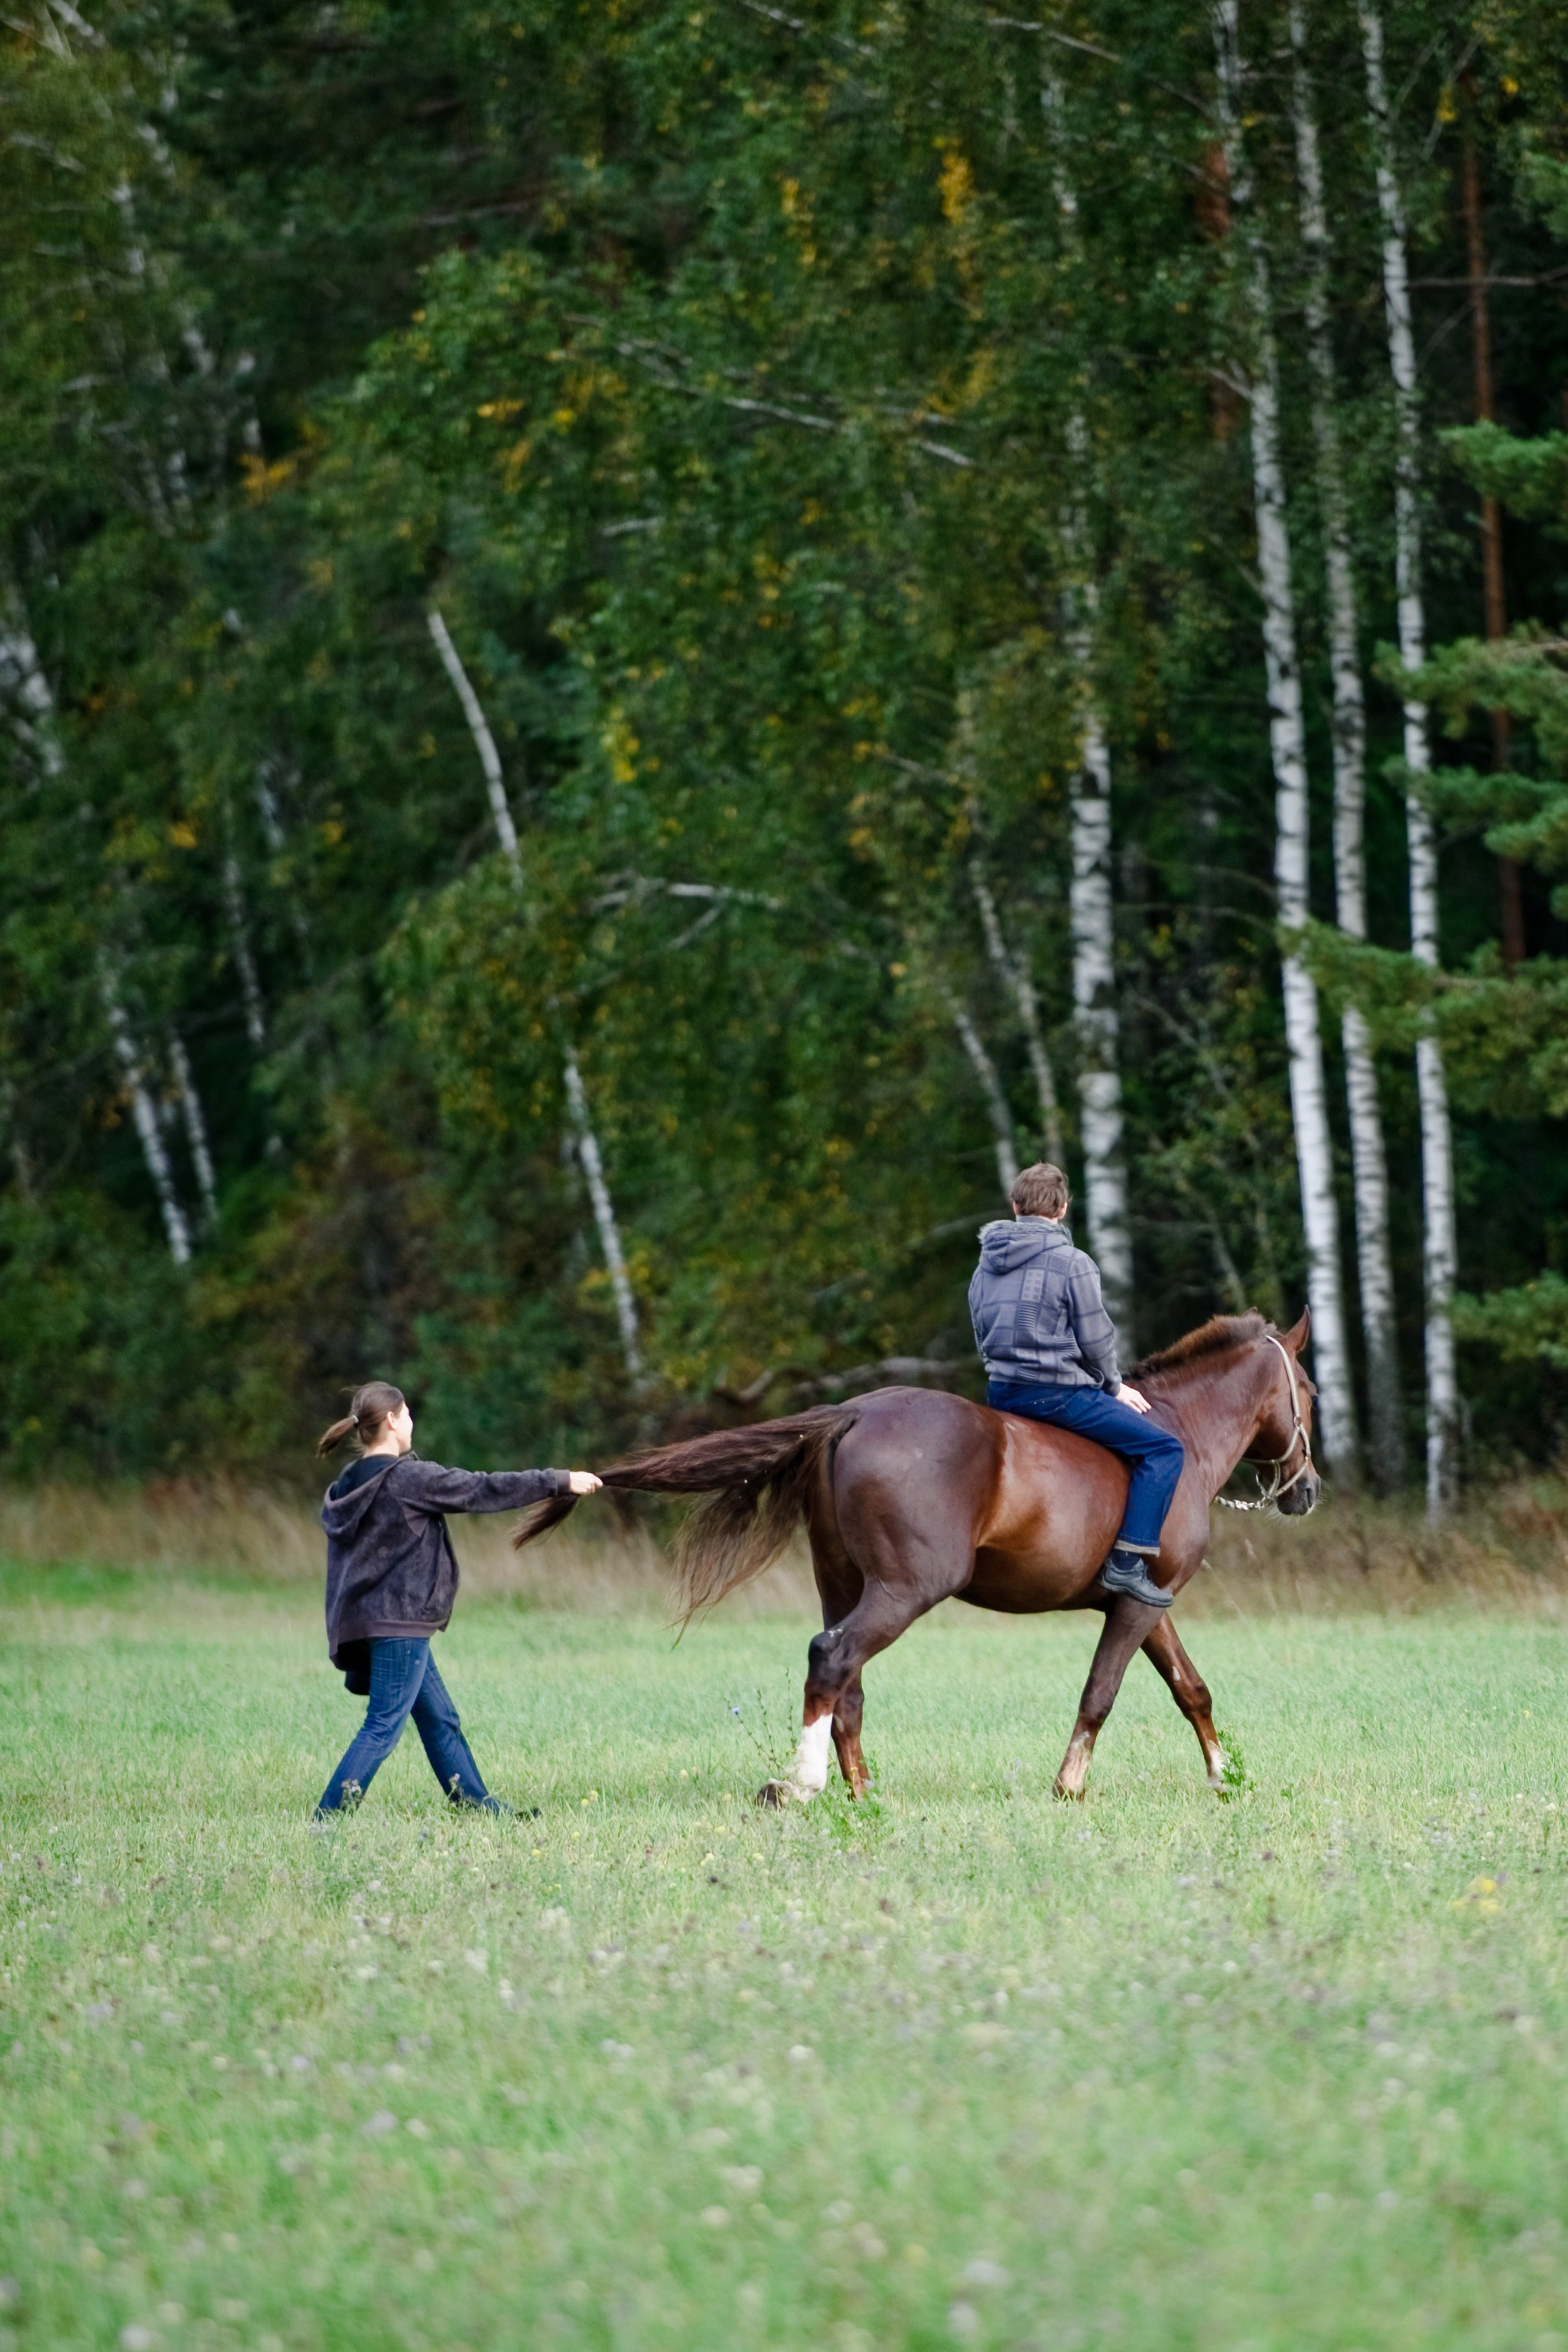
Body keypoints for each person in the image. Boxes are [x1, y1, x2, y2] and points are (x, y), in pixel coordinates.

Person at [313, 1381, 602, 1817]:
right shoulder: (407, 1478)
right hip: (398, 1623)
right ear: (391, 1420)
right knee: (382, 1726)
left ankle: (477, 1806)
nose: (411, 1422)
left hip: (370, 1621)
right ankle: (326, 1819)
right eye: (407, 1414)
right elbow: (482, 1488)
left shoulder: (346, 1488)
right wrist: (560, 1481)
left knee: (438, 1718)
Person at [968, 1162, 1183, 1609]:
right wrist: (1113, 1385)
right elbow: (1096, 1338)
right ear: (1063, 1208)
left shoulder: (985, 1264)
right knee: (1164, 1450)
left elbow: (980, 1330)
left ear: (1015, 1206)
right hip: (1057, 1396)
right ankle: (1127, 1561)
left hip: (1002, 1393)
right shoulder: (1073, 1263)